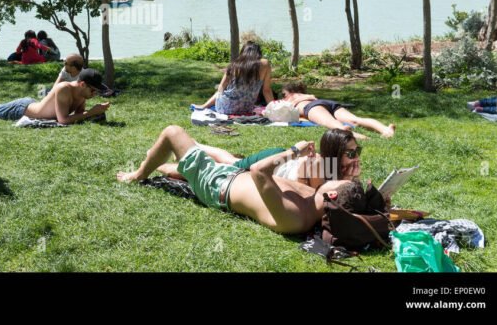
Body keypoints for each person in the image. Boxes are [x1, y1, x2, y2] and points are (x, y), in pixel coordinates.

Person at [117, 125, 348, 235]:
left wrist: (293, 152)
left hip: (217, 184)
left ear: (333, 196)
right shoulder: (314, 200)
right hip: (231, 176)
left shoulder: (296, 218)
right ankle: (170, 161)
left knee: (172, 132)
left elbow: (259, 171)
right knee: (195, 159)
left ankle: (138, 175)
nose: (339, 179)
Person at [153, 128, 363, 190]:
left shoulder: (337, 169)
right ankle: (162, 162)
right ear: (334, 154)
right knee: (230, 164)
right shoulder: (318, 166)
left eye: (357, 152)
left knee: (226, 161)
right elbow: (315, 200)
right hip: (272, 162)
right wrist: (351, 181)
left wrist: (351, 178)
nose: (355, 158)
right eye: (351, 153)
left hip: (282, 161)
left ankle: (195, 144)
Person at [0, 68, 110, 125]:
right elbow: (63, 120)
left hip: (30, 106)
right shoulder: (64, 88)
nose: (94, 94)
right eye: (93, 91)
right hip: (20, 110)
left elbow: (77, 116)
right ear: (82, 84)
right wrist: (91, 112)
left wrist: (93, 114)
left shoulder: (82, 94)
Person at [281, 81, 395, 140]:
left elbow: (282, 110)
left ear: (289, 92)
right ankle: (386, 129)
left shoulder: (291, 98)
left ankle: (354, 135)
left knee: (330, 122)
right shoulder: (307, 95)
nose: (282, 96)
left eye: (283, 94)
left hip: (312, 107)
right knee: (355, 119)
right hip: (329, 103)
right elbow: (313, 96)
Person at [193, 41, 274, 114]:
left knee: (219, 93)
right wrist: (274, 110)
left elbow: (221, 87)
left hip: (225, 109)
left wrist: (220, 95)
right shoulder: (265, 64)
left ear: (243, 52)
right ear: (258, 53)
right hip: (246, 109)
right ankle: (204, 106)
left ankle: (204, 106)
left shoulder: (234, 65)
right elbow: (266, 90)